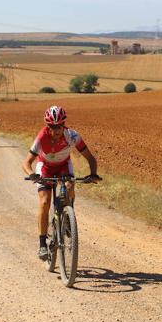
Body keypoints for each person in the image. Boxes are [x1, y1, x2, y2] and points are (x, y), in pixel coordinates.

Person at [22, 106, 100, 260]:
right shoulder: (41, 138)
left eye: (59, 126)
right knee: (44, 202)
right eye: (52, 126)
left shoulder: (72, 136)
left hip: (64, 166)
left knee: (71, 185)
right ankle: (42, 244)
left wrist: (93, 174)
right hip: (45, 168)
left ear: (64, 124)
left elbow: (90, 157)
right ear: (47, 125)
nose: (56, 130)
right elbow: (26, 163)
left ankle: (67, 214)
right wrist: (32, 174)